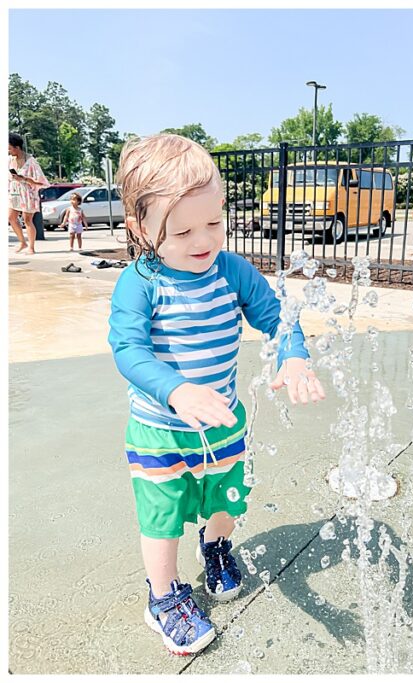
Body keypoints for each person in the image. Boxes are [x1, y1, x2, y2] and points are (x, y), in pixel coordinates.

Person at [108, 133, 327, 655]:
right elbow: (128, 350)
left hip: (224, 423)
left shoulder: (231, 271)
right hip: (161, 431)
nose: (203, 239)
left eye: (214, 221)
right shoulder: (140, 283)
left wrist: (293, 353)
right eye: (181, 230)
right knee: (161, 520)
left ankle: (217, 547)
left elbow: (279, 317)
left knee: (227, 498)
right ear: (141, 229)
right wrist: (176, 389)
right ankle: (162, 596)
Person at [8, 132, 49, 254]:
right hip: (14, 191)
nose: (8, 151)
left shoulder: (31, 161)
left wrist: (24, 179)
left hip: (27, 192)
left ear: (17, 147)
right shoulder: (9, 160)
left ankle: (31, 246)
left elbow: (41, 181)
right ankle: (22, 242)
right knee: (11, 217)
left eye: (10, 148)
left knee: (27, 219)